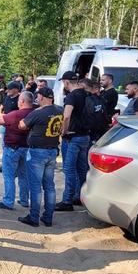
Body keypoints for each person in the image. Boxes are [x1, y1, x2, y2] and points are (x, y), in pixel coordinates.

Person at [18, 87, 63, 227]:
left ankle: (34, 217)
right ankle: (48, 217)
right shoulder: (59, 110)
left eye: (38, 96)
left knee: (36, 186)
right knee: (49, 186)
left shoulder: (38, 113)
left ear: (42, 97)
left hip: (38, 152)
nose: (37, 99)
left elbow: (22, 125)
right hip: (52, 150)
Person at [0, 91, 34, 210]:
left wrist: (0, 110)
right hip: (27, 148)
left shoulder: (16, 114)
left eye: (19, 99)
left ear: (22, 101)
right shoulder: (35, 113)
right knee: (24, 175)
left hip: (12, 148)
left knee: (9, 175)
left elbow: (1, 120)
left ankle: (8, 201)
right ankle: (24, 200)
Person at [56, 71, 90, 211]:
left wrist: (63, 132)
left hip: (73, 137)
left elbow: (66, 117)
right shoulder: (87, 94)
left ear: (66, 82)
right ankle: (80, 196)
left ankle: (67, 200)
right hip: (85, 136)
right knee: (81, 169)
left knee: (69, 169)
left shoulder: (72, 96)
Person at [79, 78, 109, 144]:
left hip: (91, 130)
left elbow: (91, 114)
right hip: (97, 129)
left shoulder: (90, 99)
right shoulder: (100, 99)